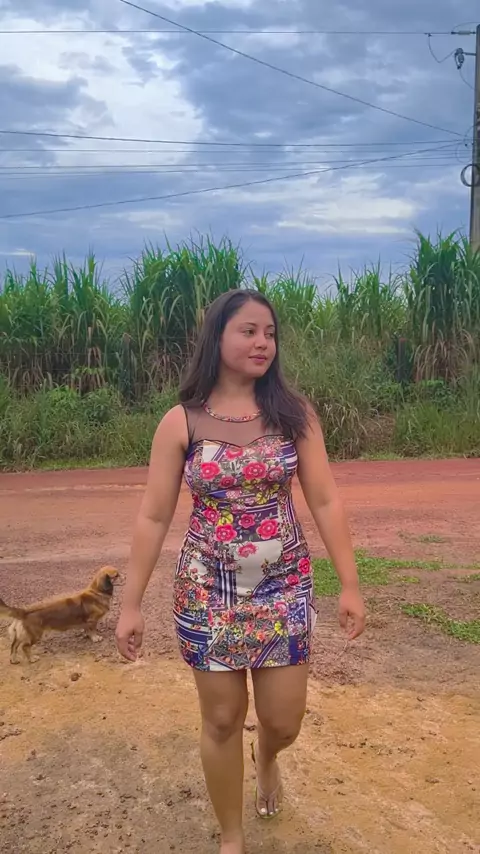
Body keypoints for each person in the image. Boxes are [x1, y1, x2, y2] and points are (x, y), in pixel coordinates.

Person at [115, 289, 366, 854]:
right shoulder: (181, 422)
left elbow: (326, 500)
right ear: (218, 337)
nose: (262, 343)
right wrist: (130, 603)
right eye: (248, 331)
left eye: (270, 333)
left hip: (283, 586)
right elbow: (153, 516)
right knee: (223, 718)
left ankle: (268, 757)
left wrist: (350, 584)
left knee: (283, 721)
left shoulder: (293, 416)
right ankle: (232, 838)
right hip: (207, 590)